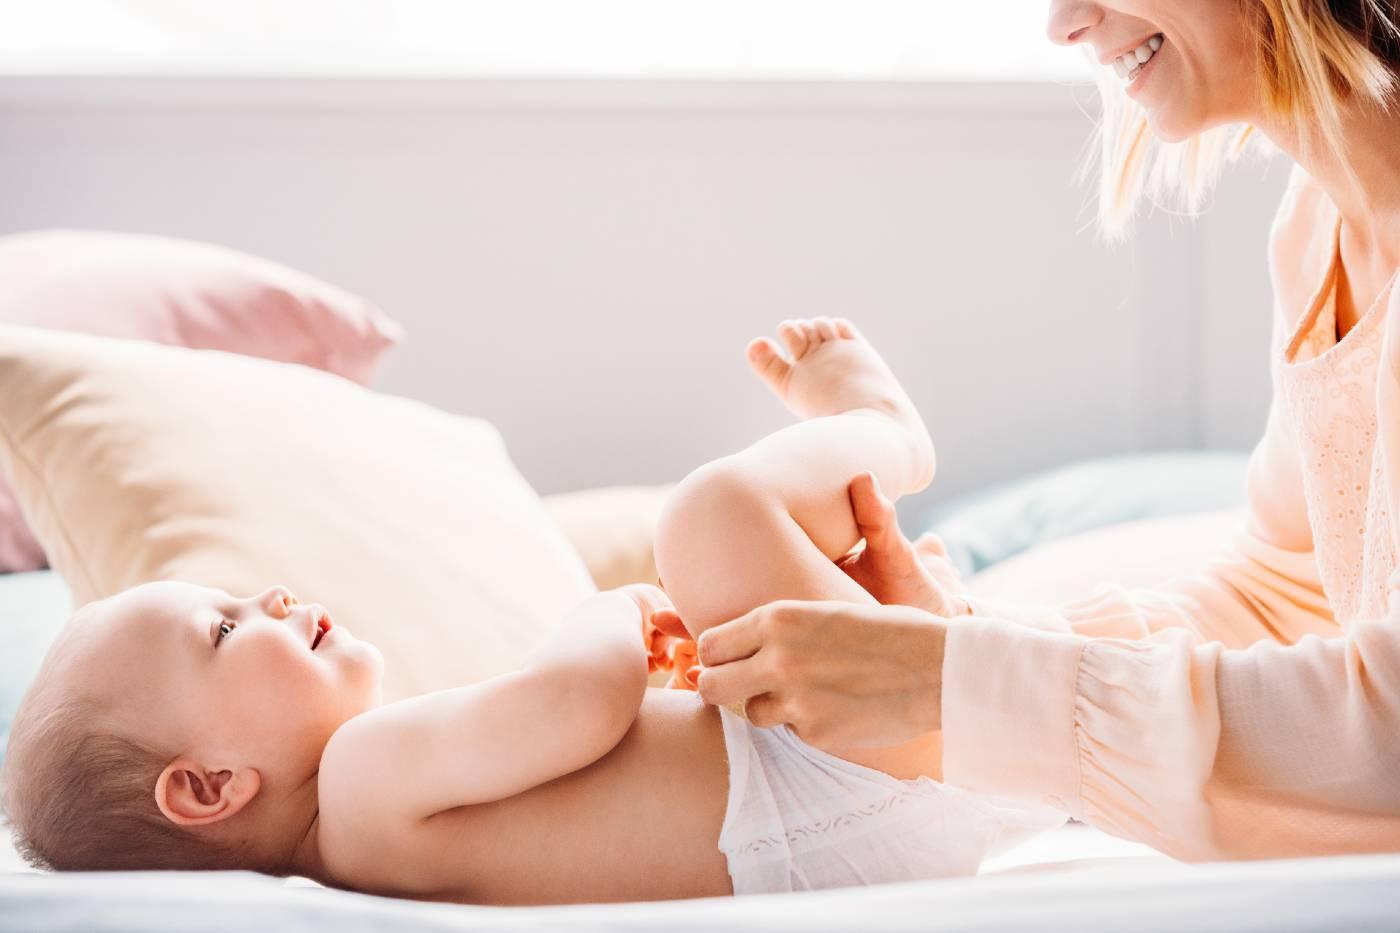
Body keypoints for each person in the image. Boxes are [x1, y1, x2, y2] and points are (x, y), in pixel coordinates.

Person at [683, 0, 1400, 860]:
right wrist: (967, 639)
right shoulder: (1316, 228)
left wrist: (946, 683)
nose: (1065, 22)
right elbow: (1286, 593)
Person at [0, 321, 1056, 904]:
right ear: (208, 786)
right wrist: (616, 610)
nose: (267, 595)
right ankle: (881, 434)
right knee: (708, 517)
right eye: (224, 628)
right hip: (823, 790)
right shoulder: (361, 784)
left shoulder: (371, 848)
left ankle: (919, 627)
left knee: (775, 611)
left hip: (842, 814)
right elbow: (575, 702)